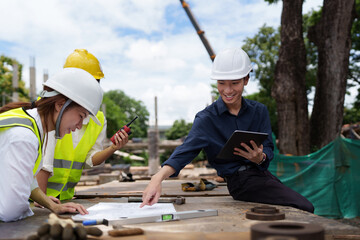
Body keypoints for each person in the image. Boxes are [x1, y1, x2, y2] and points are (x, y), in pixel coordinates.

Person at [140, 47, 314, 213]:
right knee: (304, 207)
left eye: (235, 83)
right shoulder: (207, 119)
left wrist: (260, 157)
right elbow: (185, 151)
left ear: (246, 79)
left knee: (301, 207)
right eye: (221, 83)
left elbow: (268, 148)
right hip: (240, 183)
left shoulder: (259, 111)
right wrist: (157, 178)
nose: (227, 90)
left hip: (262, 176)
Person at [0, 67, 103, 222]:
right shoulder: (24, 137)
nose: (80, 125)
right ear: (60, 105)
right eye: (81, 116)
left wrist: (51, 205)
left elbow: (26, 177)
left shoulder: (32, 125)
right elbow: (10, 211)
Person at [36, 49, 129, 201]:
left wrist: (113, 148)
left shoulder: (97, 119)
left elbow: (90, 160)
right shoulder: (47, 108)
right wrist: (43, 199)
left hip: (64, 198)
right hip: (37, 198)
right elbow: (42, 161)